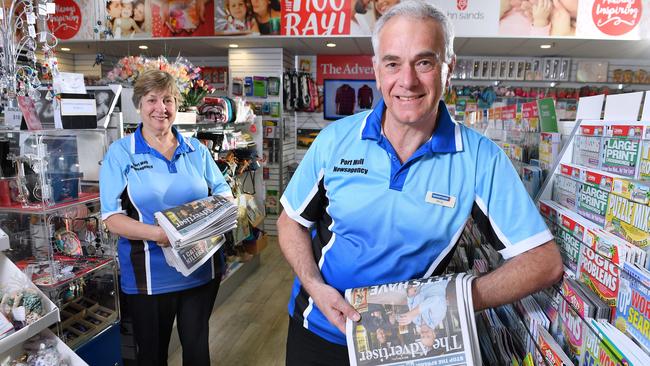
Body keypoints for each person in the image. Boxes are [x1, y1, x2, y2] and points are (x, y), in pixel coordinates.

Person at [276, 1, 563, 364]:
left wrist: (454, 299)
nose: (407, 81)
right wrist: (315, 287)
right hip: (318, 331)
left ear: (449, 69)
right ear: (377, 71)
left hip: (405, 345)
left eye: (424, 62)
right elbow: (291, 221)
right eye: (393, 63)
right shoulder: (335, 140)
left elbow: (543, 261)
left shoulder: (479, 158)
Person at [99, 69, 233, 366]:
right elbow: (111, 217)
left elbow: (223, 192)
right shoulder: (121, 153)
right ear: (139, 105)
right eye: (152, 100)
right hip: (149, 275)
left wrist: (206, 220)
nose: (161, 108)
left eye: (168, 100)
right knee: (152, 355)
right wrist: (161, 235)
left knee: (197, 351)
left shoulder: (196, 149)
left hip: (201, 268)